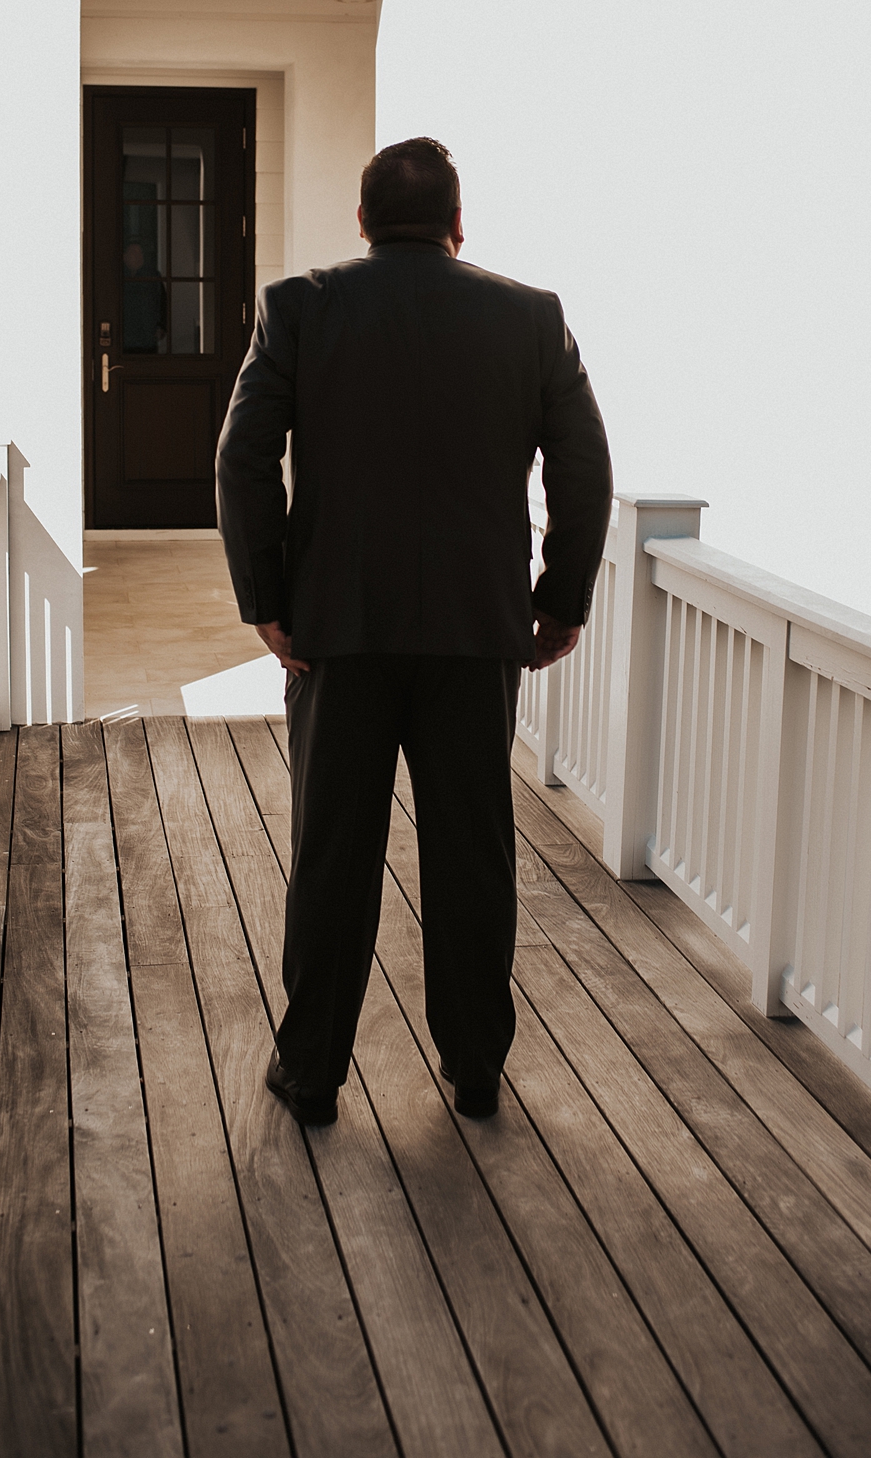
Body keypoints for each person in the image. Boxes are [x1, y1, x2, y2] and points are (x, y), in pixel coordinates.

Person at [216, 137, 612, 1126]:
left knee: (334, 852)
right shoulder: (532, 318)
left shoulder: (300, 306)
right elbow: (584, 468)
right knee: (473, 851)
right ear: (457, 220)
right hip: (477, 636)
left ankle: (311, 1071)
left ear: (361, 220)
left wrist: (267, 596)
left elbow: (243, 457)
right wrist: (558, 600)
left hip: (336, 633)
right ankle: (475, 1064)